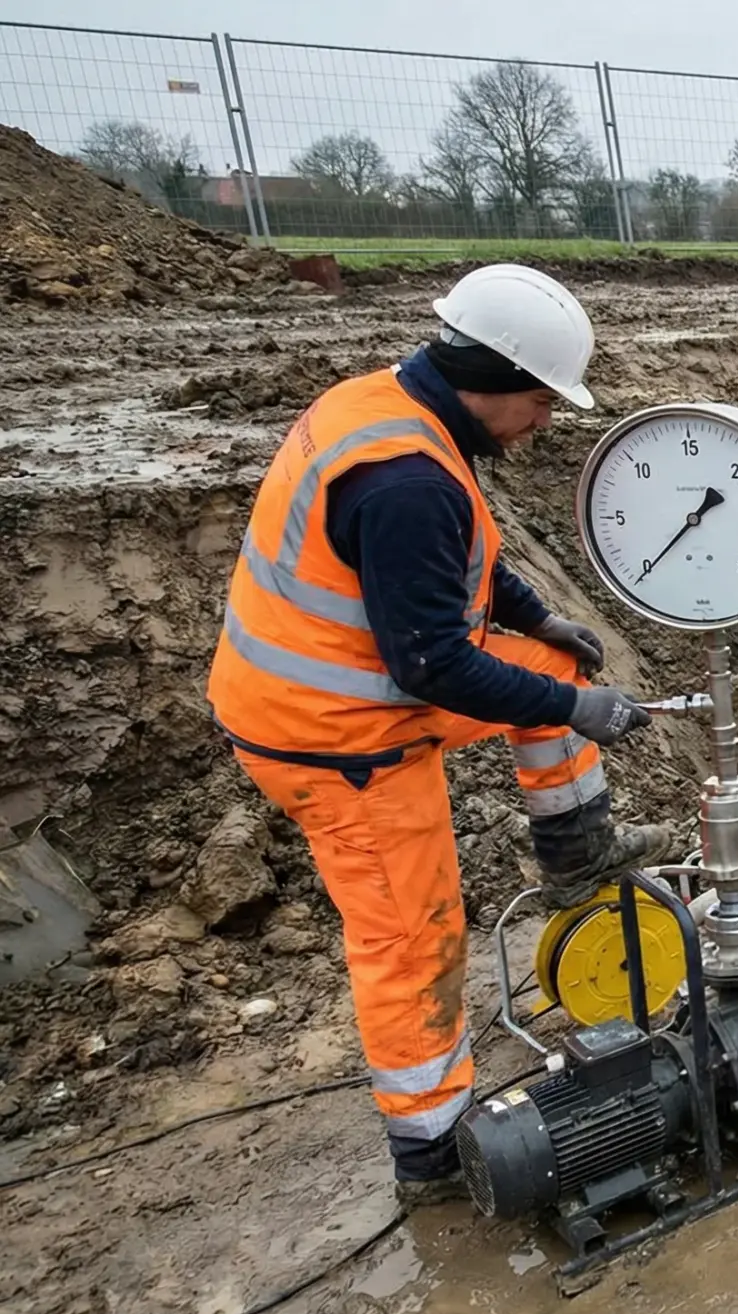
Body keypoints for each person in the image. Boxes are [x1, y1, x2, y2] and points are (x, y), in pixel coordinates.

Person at [205, 264, 670, 1205]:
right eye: (539, 401)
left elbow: (455, 563)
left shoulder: (390, 409)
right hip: (336, 736)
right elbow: (435, 667)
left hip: (355, 679)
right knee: (414, 937)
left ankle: (578, 857)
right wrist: (579, 712)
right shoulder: (405, 479)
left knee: (549, 677)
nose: (542, 421)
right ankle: (434, 1147)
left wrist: (538, 624)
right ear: (493, 379)